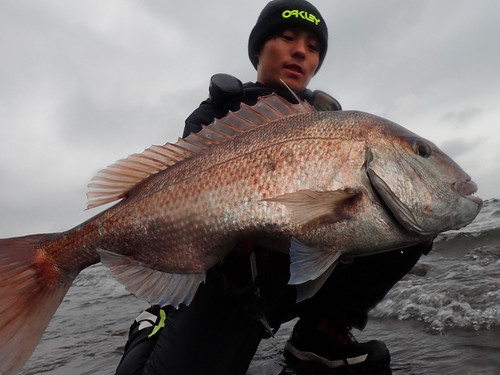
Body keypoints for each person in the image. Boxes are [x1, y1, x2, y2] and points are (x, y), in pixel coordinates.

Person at [114, 1, 433, 374]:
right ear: (259, 48)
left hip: (294, 280)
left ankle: (319, 335)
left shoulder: (331, 122)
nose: (301, 50)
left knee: (414, 220)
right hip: (232, 289)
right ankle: (152, 323)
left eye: (313, 47)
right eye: (287, 37)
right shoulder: (215, 116)